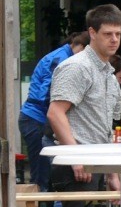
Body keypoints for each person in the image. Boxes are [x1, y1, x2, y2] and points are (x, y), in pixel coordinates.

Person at [44, 6, 121, 207]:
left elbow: (107, 129)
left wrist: (114, 173)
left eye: (118, 33)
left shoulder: (109, 74)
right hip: (74, 164)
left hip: (96, 164)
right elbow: (55, 113)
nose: (114, 39)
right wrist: (75, 156)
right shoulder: (76, 67)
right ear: (91, 33)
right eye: (107, 34)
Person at [18, 31, 89, 196]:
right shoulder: (62, 59)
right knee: (41, 177)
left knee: (47, 176)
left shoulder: (62, 56)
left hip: (36, 118)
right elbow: (48, 93)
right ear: (80, 47)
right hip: (36, 119)